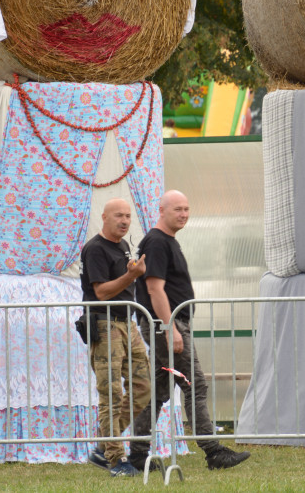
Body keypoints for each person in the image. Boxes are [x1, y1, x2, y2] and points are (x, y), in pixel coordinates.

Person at [128, 190, 250, 471]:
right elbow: (154, 288)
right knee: (194, 384)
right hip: (165, 325)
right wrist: (171, 328)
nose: (183, 214)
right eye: (177, 209)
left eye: (186, 209)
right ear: (162, 211)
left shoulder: (166, 241)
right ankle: (212, 451)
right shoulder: (157, 242)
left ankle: (137, 455)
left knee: (157, 391)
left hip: (164, 325)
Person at [80, 198, 151, 477]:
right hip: (105, 325)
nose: (124, 221)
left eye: (128, 216)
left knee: (144, 386)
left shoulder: (122, 245)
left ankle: (103, 446)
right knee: (111, 393)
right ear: (104, 217)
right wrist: (132, 276)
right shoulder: (95, 249)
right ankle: (115, 459)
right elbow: (101, 293)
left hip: (127, 322)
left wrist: (133, 274)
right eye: (119, 216)